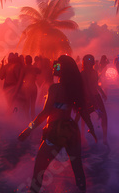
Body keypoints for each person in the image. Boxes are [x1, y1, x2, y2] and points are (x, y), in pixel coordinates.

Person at [18, 55, 97, 192]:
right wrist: (92, 130)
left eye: (58, 66)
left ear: (63, 70)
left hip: (55, 131)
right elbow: (83, 111)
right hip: (71, 130)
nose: (54, 68)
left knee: (39, 169)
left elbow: (45, 113)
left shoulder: (55, 88)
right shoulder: (75, 89)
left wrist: (29, 129)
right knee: (78, 169)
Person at [78, 54, 108, 146]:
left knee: (104, 116)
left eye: (91, 62)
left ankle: (104, 138)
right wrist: (90, 99)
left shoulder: (94, 72)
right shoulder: (83, 74)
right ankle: (82, 135)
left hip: (96, 95)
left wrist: (102, 93)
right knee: (84, 116)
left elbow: (96, 85)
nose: (91, 64)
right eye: (89, 62)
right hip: (87, 97)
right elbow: (85, 87)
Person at [14, 55, 41, 120]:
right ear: (31, 61)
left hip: (27, 87)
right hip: (34, 87)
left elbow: (20, 81)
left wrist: (16, 91)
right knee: (32, 106)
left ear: (26, 61)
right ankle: (33, 123)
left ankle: (27, 123)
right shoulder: (34, 68)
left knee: (27, 106)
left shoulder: (24, 68)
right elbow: (40, 71)